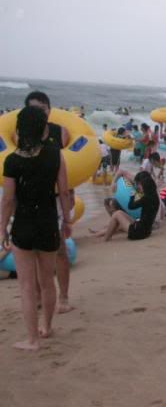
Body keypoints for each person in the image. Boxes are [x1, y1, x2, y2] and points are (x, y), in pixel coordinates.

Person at [1, 107, 72, 350]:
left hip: (23, 226)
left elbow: (8, 200)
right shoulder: (55, 154)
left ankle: (32, 339)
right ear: (43, 128)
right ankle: (47, 327)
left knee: (27, 286)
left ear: (20, 130)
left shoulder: (12, 161)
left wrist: (2, 229)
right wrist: (68, 220)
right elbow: (63, 191)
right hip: (49, 223)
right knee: (46, 282)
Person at [24, 91, 74, 314]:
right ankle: (37, 295)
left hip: (54, 197)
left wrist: (68, 201)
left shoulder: (59, 132)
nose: (38, 113)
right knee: (32, 250)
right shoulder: (20, 134)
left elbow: (70, 165)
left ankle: (63, 297)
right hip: (27, 199)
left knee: (60, 249)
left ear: (49, 110)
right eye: (33, 108)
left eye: (42, 109)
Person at [90, 171, 159, 242]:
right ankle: (100, 233)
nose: (138, 186)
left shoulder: (145, 198)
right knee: (119, 215)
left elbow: (131, 206)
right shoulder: (155, 198)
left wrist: (132, 196)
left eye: (139, 185)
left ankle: (105, 239)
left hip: (138, 233)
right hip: (146, 231)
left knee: (116, 214)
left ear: (144, 185)